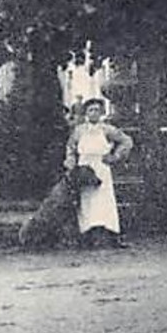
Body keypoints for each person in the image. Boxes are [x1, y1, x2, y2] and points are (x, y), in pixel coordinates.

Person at [64, 96, 134, 248]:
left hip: (101, 167)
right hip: (84, 169)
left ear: (101, 112)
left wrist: (115, 156)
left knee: (104, 201)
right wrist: (71, 163)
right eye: (90, 110)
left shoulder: (107, 129)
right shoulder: (79, 130)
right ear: (85, 113)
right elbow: (70, 148)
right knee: (86, 202)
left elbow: (126, 141)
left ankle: (111, 236)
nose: (94, 113)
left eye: (97, 110)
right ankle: (86, 235)